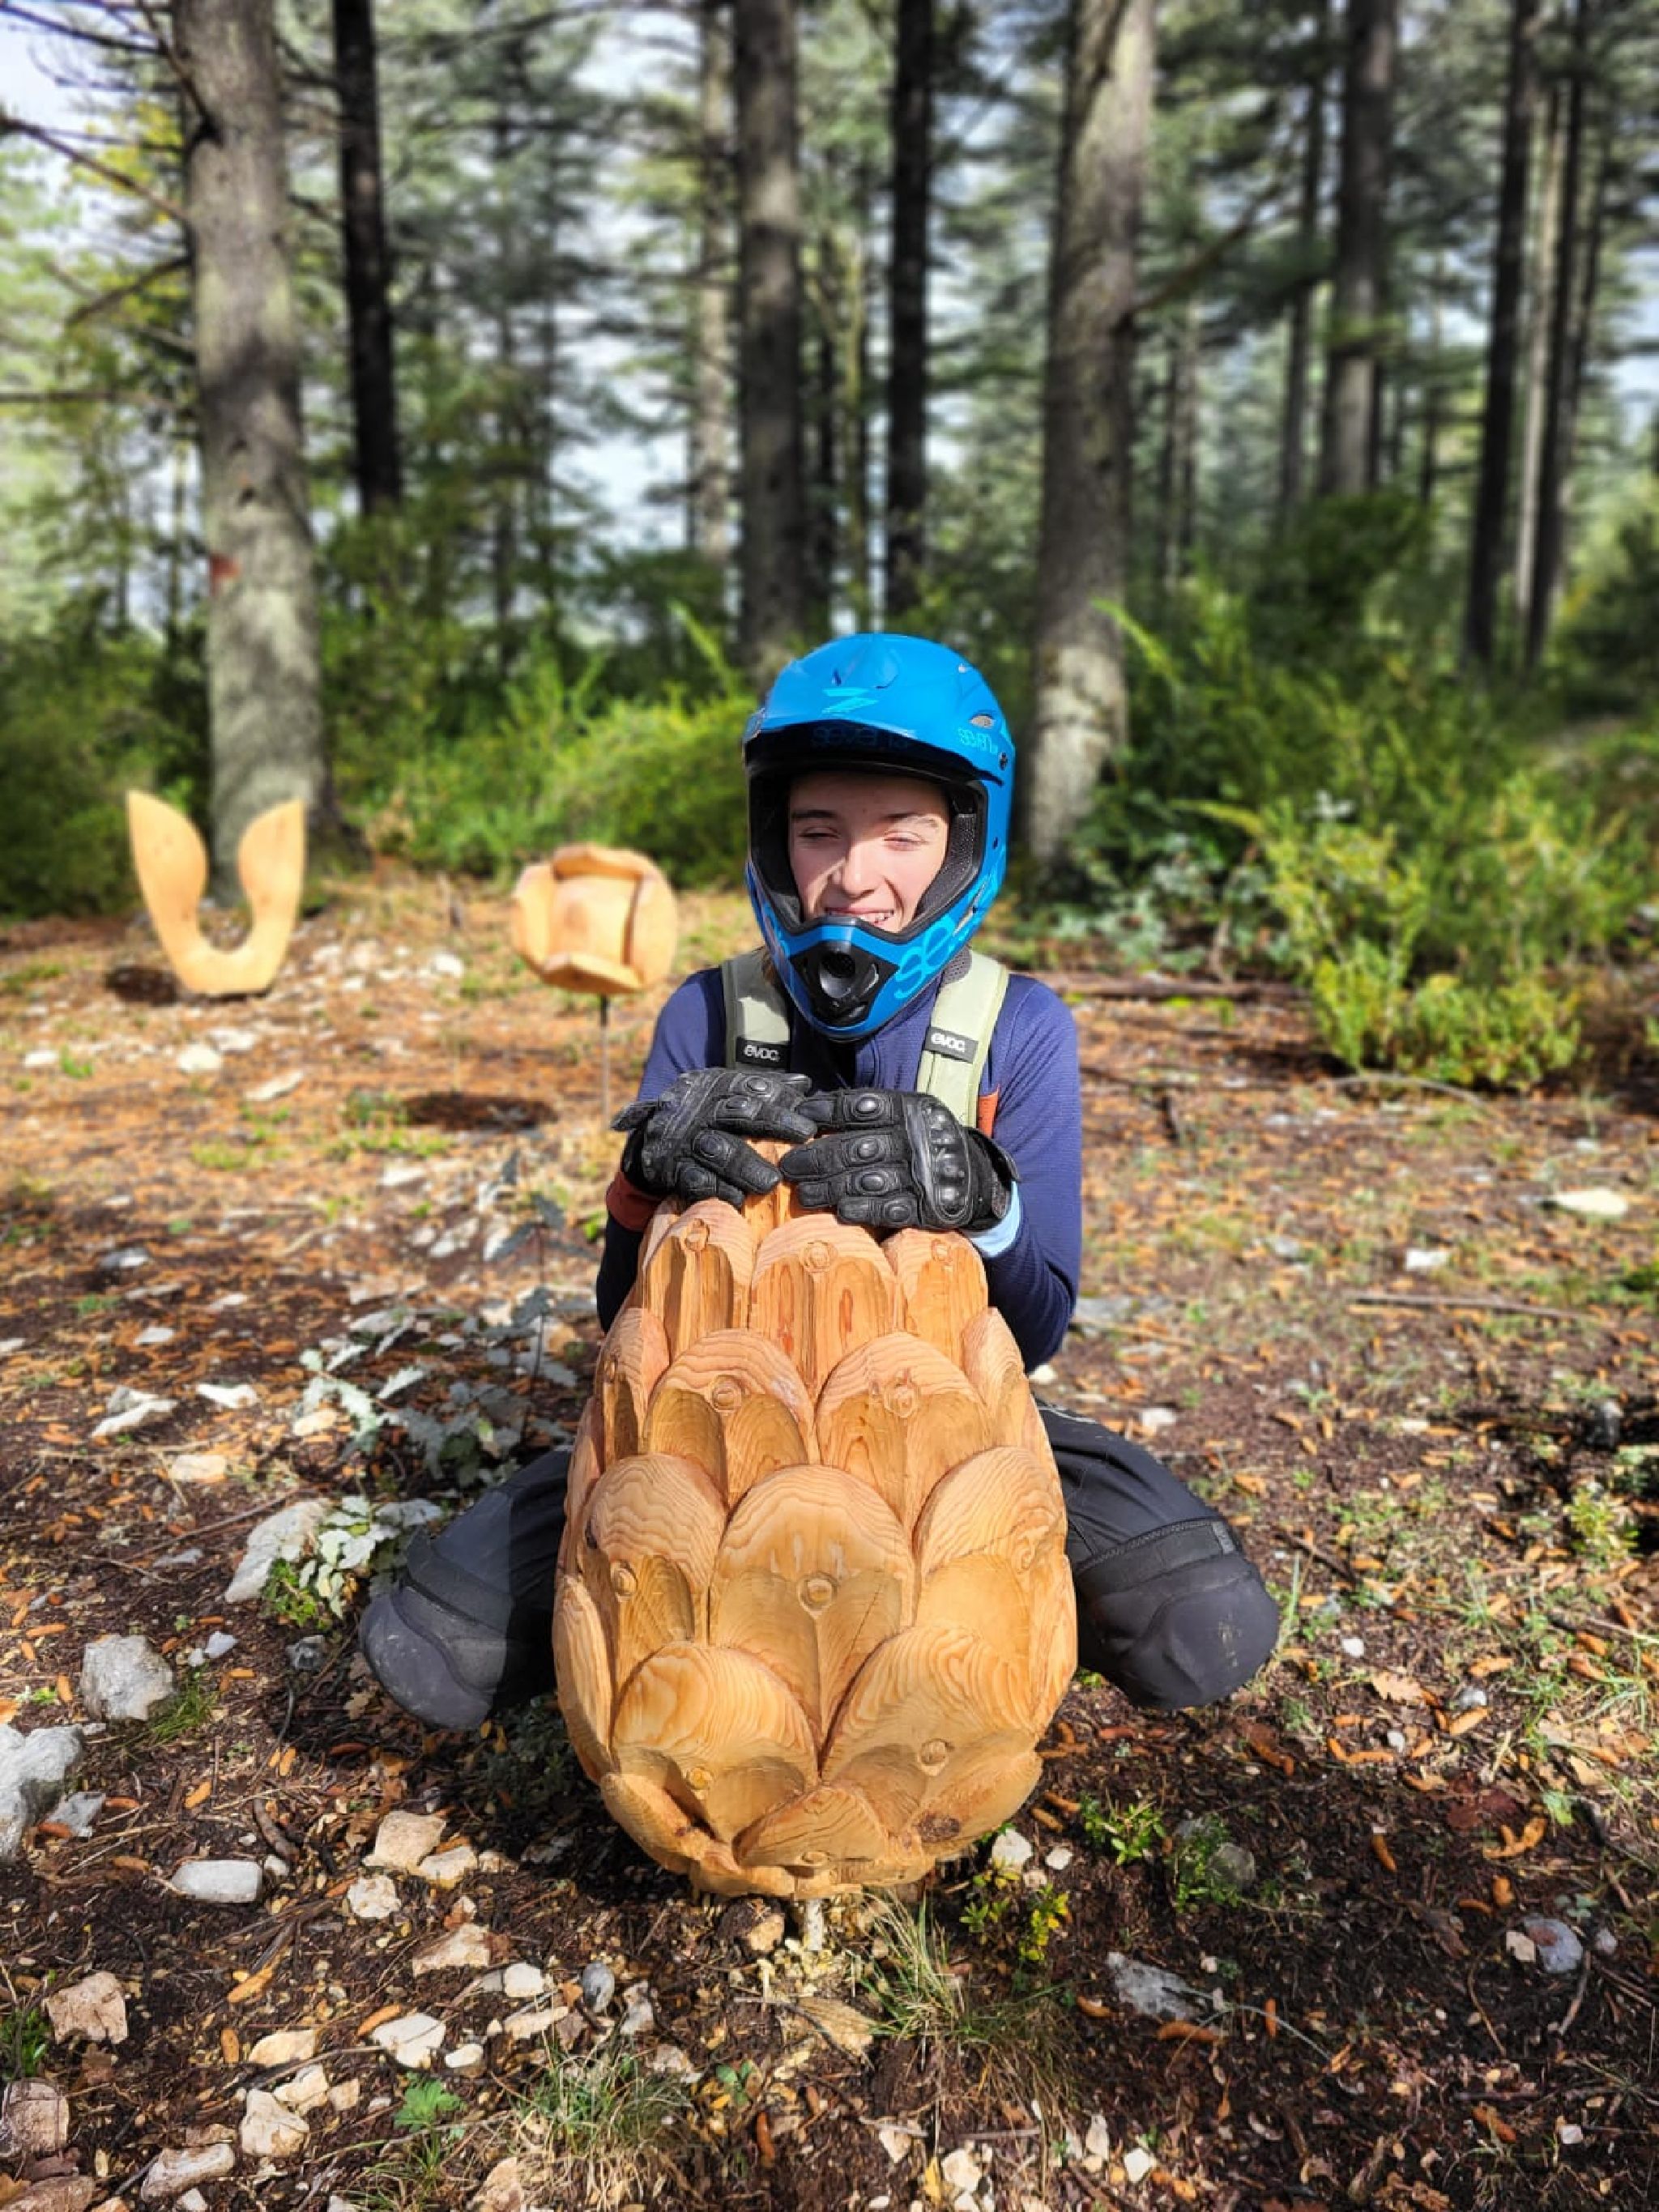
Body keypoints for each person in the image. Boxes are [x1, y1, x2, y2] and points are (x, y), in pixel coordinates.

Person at [360, 634, 1278, 1733]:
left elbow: (1034, 1334)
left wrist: (981, 1201)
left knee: (1198, 1621)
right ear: (773, 839)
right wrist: (644, 1178)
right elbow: (622, 1321)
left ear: (965, 845)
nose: (854, 874)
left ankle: (967, 1610)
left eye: (903, 834)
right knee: (438, 1644)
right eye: (818, 831)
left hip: (954, 1432)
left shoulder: (1019, 1029)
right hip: (710, 1433)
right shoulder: (708, 1014)